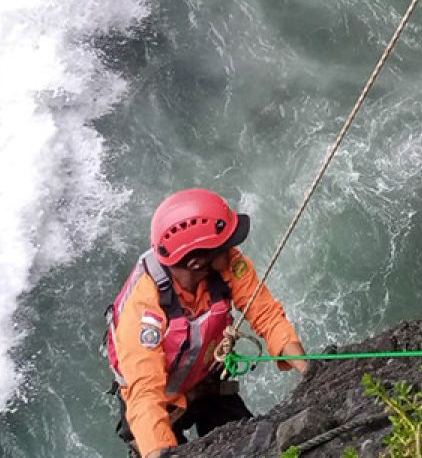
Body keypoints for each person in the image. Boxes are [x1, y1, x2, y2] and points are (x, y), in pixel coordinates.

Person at [105, 188, 307, 458]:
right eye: (224, 245)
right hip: (161, 406)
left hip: (207, 384)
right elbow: (145, 395)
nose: (233, 249)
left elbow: (265, 314)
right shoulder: (143, 310)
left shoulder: (225, 264)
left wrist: (308, 369)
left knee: (253, 444)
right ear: (196, 261)